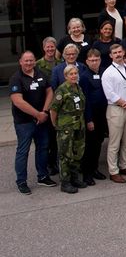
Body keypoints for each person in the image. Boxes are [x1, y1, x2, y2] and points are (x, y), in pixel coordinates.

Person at [10, 51, 56, 194]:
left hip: (42, 120)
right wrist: (37, 115)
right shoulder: (16, 78)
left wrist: (44, 111)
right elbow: (18, 101)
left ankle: (42, 176)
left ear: (35, 61)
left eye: (31, 60)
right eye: (26, 61)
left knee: (42, 148)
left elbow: (50, 92)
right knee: (23, 151)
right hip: (24, 122)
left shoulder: (40, 73)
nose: (29, 63)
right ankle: (21, 181)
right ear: (20, 62)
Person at [102, 44, 126, 184]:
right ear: (111, 55)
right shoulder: (107, 73)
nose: (118, 54)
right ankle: (113, 171)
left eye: (120, 52)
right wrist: (124, 103)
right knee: (114, 142)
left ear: (124, 53)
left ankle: (124, 166)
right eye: (115, 53)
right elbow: (109, 93)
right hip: (116, 109)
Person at [49, 64, 86, 194]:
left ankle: (75, 178)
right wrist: (56, 125)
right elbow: (53, 110)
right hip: (66, 127)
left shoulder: (78, 87)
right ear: (65, 76)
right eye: (71, 74)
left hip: (79, 126)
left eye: (75, 73)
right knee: (65, 155)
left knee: (77, 152)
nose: (74, 76)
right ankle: (65, 182)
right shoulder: (62, 90)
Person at [79, 49, 107, 186]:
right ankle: (87, 173)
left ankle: (95, 168)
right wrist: (89, 119)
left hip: (103, 114)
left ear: (100, 60)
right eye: (91, 60)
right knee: (90, 145)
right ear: (87, 61)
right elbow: (85, 100)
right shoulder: (84, 77)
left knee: (98, 143)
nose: (94, 62)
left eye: (96, 60)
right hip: (91, 115)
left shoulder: (104, 72)